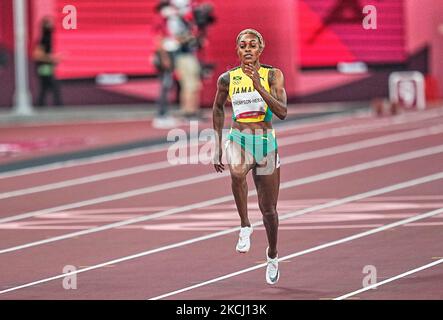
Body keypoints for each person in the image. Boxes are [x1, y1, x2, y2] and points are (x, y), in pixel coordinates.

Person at [212, 29, 287, 285]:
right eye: (242, 45)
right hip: (239, 139)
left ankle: (273, 253)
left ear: (260, 48)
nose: (247, 49)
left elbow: (283, 112)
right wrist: (217, 144)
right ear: (237, 50)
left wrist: (259, 87)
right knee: (236, 172)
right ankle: (244, 225)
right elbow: (217, 107)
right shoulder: (227, 79)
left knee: (269, 211)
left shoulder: (272, 75)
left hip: (266, 144)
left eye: (252, 45)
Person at [33, 17, 63, 107]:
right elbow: (37, 55)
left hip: (46, 67)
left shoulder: (47, 39)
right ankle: (58, 105)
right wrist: (52, 59)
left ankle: (40, 104)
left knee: (45, 87)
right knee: (53, 85)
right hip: (44, 67)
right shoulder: (44, 39)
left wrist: (54, 58)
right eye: (49, 24)